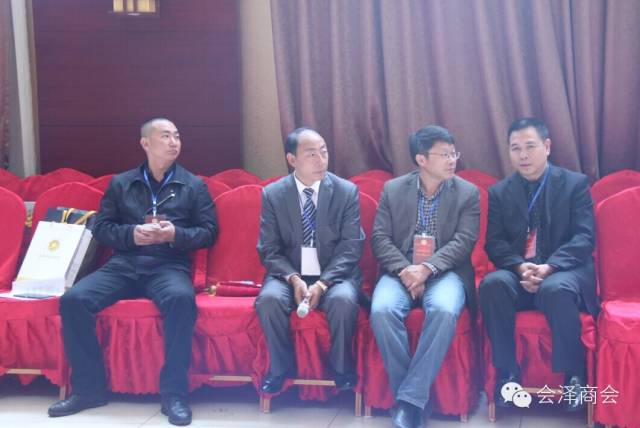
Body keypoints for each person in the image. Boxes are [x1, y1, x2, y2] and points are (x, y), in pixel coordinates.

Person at [48, 118, 218, 426]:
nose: (174, 142)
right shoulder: (121, 183)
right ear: (145, 143)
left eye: (177, 136)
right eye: (166, 136)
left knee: (181, 300)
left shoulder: (193, 186)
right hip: (125, 262)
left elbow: (208, 232)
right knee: (73, 300)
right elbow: (101, 228)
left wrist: (174, 234)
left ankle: (174, 395)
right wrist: (131, 234)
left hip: (168, 264)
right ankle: (88, 391)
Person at [479, 117, 599, 412]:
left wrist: (550, 267)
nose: (523, 155)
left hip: (564, 271)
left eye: (530, 146)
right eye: (515, 148)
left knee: (555, 289)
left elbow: (584, 238)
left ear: (547, 146)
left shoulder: (574, 184)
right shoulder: (500, 192)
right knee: (493, 284)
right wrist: (520, 267)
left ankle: (574, 376)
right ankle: (507, 373)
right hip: (520, 273)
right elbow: (494, 243)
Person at [370, 125, 480, 428]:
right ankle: (413, 399)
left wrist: (427, 269)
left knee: (444, 309)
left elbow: (464, 242)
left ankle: (408, 401)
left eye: (453, 153)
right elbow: (380, 238)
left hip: (445, 272)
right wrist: (406, 270)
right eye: (444, 155)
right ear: (421, 159)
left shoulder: (467, 193)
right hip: (400, 270)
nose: (452, 160)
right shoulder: (393, 190)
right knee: (381, 310)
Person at [255, 127, 364, 394]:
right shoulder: (273, 194)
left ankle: (342, 368)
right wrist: (294, 279)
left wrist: (323, 284)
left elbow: (351, 247)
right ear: (292, 160)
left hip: (334, 274)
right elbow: (269, 249)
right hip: (289, 273)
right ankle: (280, 369)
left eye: (324, 152)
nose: (321, 160)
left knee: (343, 301)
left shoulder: (345, 191)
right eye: (312, 154)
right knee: (269, 300)